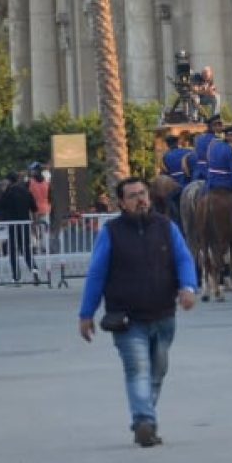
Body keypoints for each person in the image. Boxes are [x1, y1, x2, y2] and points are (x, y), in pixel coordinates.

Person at [78, 177, 197, 447]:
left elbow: (183, 259)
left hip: (164, 315)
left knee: (158, 371)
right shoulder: (111, 232)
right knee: (138, 371)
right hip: (127, 319)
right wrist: (86, 314)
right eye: (132, 196)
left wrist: (188, 287)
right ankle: (143, 419)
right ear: (121, 202)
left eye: (143, 193)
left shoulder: (167, 227)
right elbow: (96, 274)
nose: (140, 199)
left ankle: (147, 420)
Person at [0, 172, 37, 284]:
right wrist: (33, 222)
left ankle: (16, 277)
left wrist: (3, 192)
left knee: (13, 252)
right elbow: (34, 208)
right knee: (27, 251)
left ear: (8, 181)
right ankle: (35, 272)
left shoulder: (8, 192)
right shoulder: (26, 191)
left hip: (12, 226)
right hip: (25, 225)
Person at [28, 163, 52, 253]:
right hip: (45, 209)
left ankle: (35, 246)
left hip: (34, 210)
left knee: (34, 228)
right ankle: (44, 247)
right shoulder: (46, 183)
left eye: (32, 170)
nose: (31, 172)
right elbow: (50, 196)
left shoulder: (30, 182)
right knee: (44, 228)